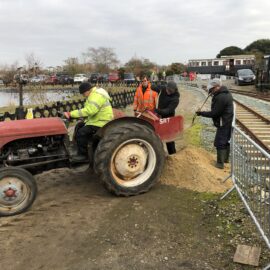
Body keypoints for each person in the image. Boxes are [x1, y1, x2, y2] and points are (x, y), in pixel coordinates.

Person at [64, 82, 113, 162]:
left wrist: (71, 114)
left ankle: (84, 155)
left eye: (83, 93)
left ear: (87, 90)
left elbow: (90, 111)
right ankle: (76, 147)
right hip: (96, 120)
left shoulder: (96, 96)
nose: (83, 95)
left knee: (81, 133)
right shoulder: (93, 94)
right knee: (79, 126)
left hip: (102, 122)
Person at [196, 78, 233, 169]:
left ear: (217, 87)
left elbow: (214, 113)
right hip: (227, 121)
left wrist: (201, 113)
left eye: (211, 89)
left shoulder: (221, 97)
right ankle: (225, 160)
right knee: (226, 141)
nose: (211, 91)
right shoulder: (225, 94)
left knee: (220, 142)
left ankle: (220, 164)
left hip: (223, 122)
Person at [154, 81, 180, 155]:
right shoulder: (163, 89)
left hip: (169, 119)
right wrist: (147, 85)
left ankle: (173, 155)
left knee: (169, 139)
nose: (168, 92)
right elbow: (154, 87)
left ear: (175, 90)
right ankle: (160, 154)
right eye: (167, 90)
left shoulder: (175, 99)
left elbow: (167, 111)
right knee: (158, 137)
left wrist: (157, 111)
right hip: (159, 117)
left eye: (170, 91)